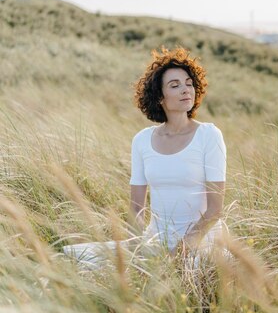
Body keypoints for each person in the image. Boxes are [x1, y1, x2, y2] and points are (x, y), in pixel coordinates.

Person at [63, 47, 227, 268]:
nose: (186, 89)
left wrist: (180, 252)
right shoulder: (142, 140)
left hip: (200, 243)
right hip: (154, 242)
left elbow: (215, 210)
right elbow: (136, 210)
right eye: (175, 85)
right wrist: (142, 246)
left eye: (189, 83)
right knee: (74, 260)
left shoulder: (209, 135)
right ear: (159, 97)